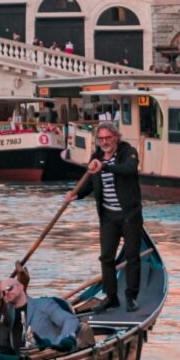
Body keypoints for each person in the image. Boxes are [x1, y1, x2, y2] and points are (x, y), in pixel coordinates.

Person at [64, 122, 142, 313]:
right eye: (101, 139)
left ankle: (131, 296)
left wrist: (104, 167)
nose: (105, 142)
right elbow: (91, 182)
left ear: (116, 137)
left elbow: (129, 169)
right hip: (108, 216)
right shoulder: (96, 158)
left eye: (108, 138)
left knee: (132, 256)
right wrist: (77, 194)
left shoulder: (128, 152)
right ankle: (111, 296)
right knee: (106, 257)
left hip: (129, 215)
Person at [0, 276, 83, 353]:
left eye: (9, 288)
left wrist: (59, 342)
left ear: (21, 286)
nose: (6, 292)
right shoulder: (5, 313)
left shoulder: (44, 304)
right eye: (3, 292)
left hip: (47, 356)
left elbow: (70, 320)